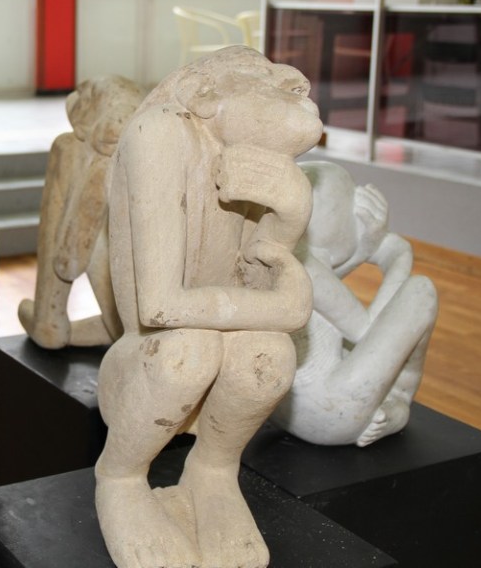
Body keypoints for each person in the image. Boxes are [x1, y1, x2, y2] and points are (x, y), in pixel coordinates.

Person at [95, 46, 321, 568]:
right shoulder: (159, 131)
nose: (298, 86)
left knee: (270, 357)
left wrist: (288, 217)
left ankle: (213, 472)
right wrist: (287, 310)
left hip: (209, 364)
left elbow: (256, 281)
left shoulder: (248, 151)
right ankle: (120, 476)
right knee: (189, 352)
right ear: (204, 94)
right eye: (267, 78)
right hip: (146, 366)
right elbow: (160, 308)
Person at [271, 161, 438, 447]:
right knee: (421, 291)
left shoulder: (285, 255)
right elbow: (368, 332)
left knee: (342, 342)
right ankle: (399, 396)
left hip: (282, 410)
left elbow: (328, 296)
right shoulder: (308, 266)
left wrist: (366, 248)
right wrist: (399, 256)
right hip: (332, 414)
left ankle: (387, 402)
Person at [18, 75, 144, 349]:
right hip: (164, 323)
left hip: (133, 331)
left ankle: (48, 317)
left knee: (67, 149)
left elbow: (71, 254)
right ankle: (52, 321)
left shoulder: (78, 152)